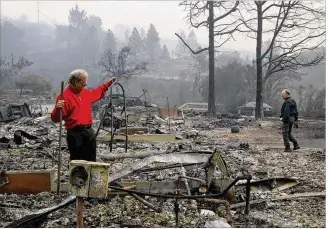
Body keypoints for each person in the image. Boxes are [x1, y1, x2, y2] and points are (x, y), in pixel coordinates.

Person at [51, 69, 116, 161]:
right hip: (75, 133)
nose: (85, 84)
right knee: (77, 161)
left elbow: (96, 92)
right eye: (83, 82)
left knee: (91, 158)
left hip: (88, 131)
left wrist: (107, 84)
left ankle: (89, 175)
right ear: (75, 81)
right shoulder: (63, 97)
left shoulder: (85, 93)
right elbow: (55, 118)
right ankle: (77, 175)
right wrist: (58, 108)